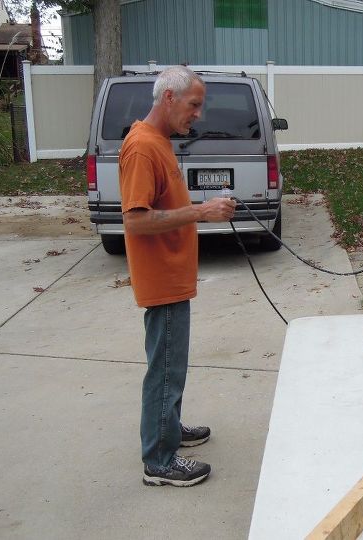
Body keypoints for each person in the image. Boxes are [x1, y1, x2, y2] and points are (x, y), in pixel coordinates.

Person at [119, 65, 236, 487]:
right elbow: (135, 221)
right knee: (165, 368)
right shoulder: (142, 147)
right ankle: (159, 462)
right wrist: (202, 212)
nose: (198, 115)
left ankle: (170, 429)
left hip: (173, 277)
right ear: (169, 98)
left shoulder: (160, 141)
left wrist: (199, 208)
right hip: (161, 281)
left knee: (172, 366)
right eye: (194, 105)